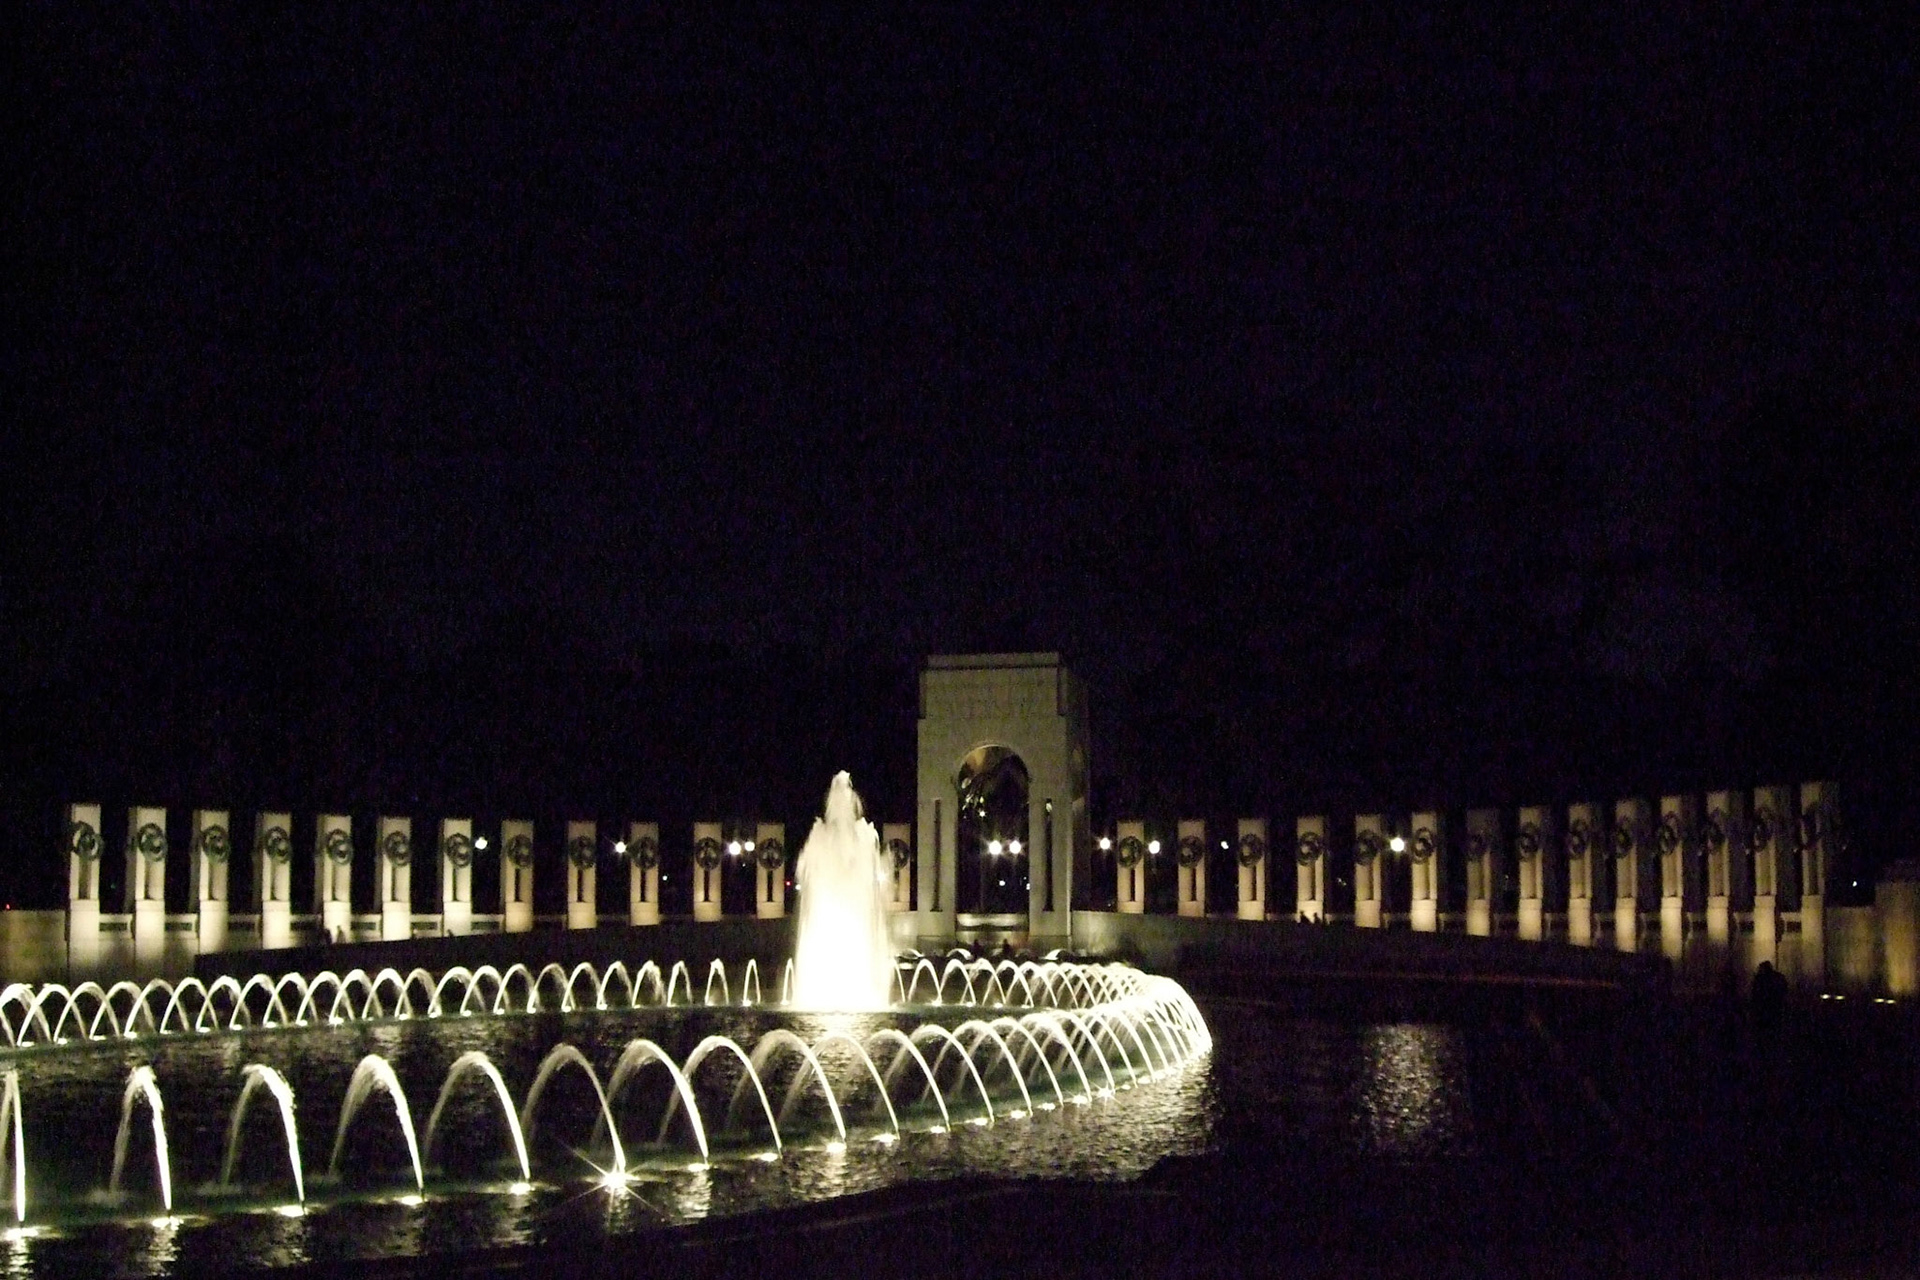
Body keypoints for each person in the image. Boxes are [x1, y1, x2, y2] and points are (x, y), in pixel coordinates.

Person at [1751, 960, 1787, 1038]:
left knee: (1764, 1026)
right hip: (1775, 1005)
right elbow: (1784, 989)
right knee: (1774, 1024)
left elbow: (1755, 992)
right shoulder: (1778, 977)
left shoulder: (1760, 978)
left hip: (1764, 1007)